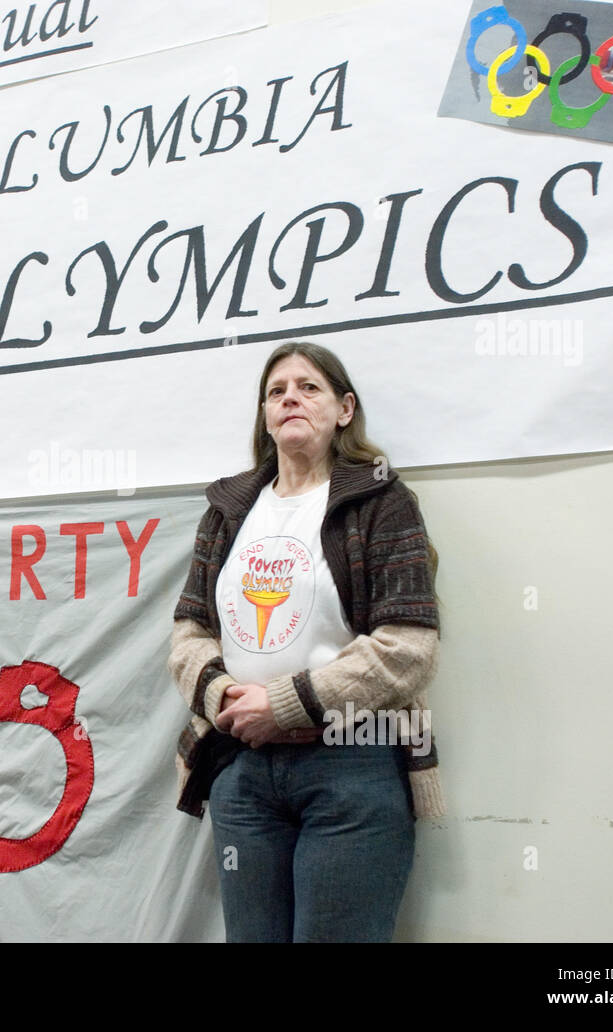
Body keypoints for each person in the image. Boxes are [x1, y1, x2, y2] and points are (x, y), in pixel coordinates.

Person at [167, 340, 443, 943]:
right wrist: (225, 698)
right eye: (276, 391)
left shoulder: (382, 502)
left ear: (344, 409)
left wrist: (284, 704)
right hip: (243, 772)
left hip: (352, 766)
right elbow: (189, 633)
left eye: (309, 387)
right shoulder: (227, 511)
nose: (290, 397)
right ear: (266, 416)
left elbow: (407, 647)